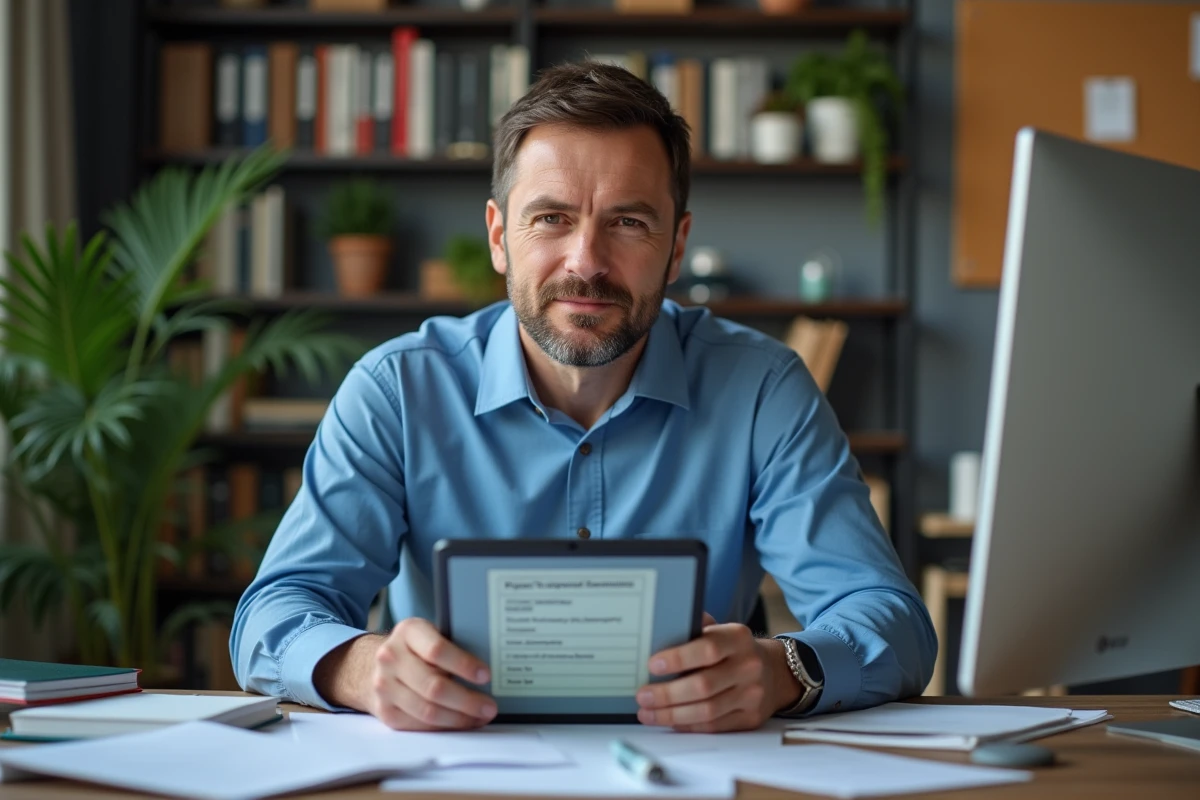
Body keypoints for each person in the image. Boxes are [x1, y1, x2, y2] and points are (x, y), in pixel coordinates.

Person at [231, 62, 936, 733]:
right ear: (499, 235)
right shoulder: (398, 390)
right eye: (550, 219)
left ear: (677, 245)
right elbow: (274, 614)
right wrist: (361, 670)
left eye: (628, 222)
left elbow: (891, 621)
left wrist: (788, 671)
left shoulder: (762, 390)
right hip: (456, 775)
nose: (586, 262)